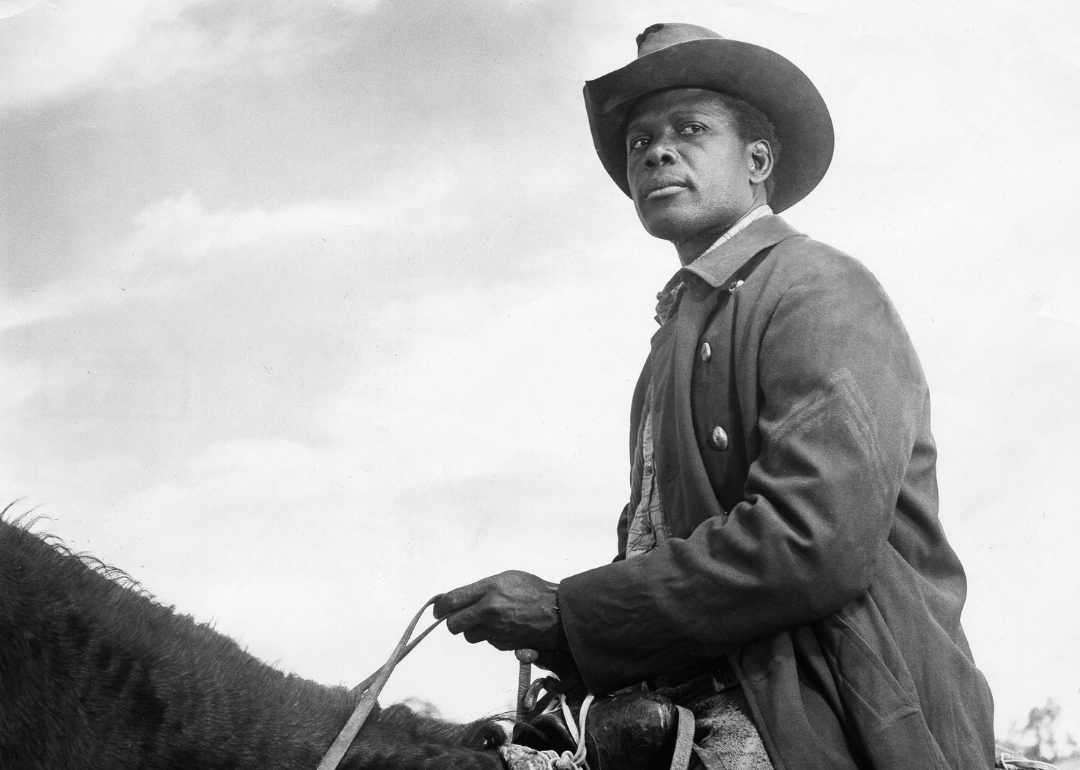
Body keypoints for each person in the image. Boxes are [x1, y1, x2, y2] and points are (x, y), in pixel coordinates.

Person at [433, 23, 995, 770]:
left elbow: (810, 542)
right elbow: (659, 546)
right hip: (710, 701)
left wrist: (570, 611)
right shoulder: (674, 336)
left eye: (690, 130)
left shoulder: (818, 287)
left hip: (827, 714)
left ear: (758, 161)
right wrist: (565, 646)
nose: (657, 152)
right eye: (639, 142)